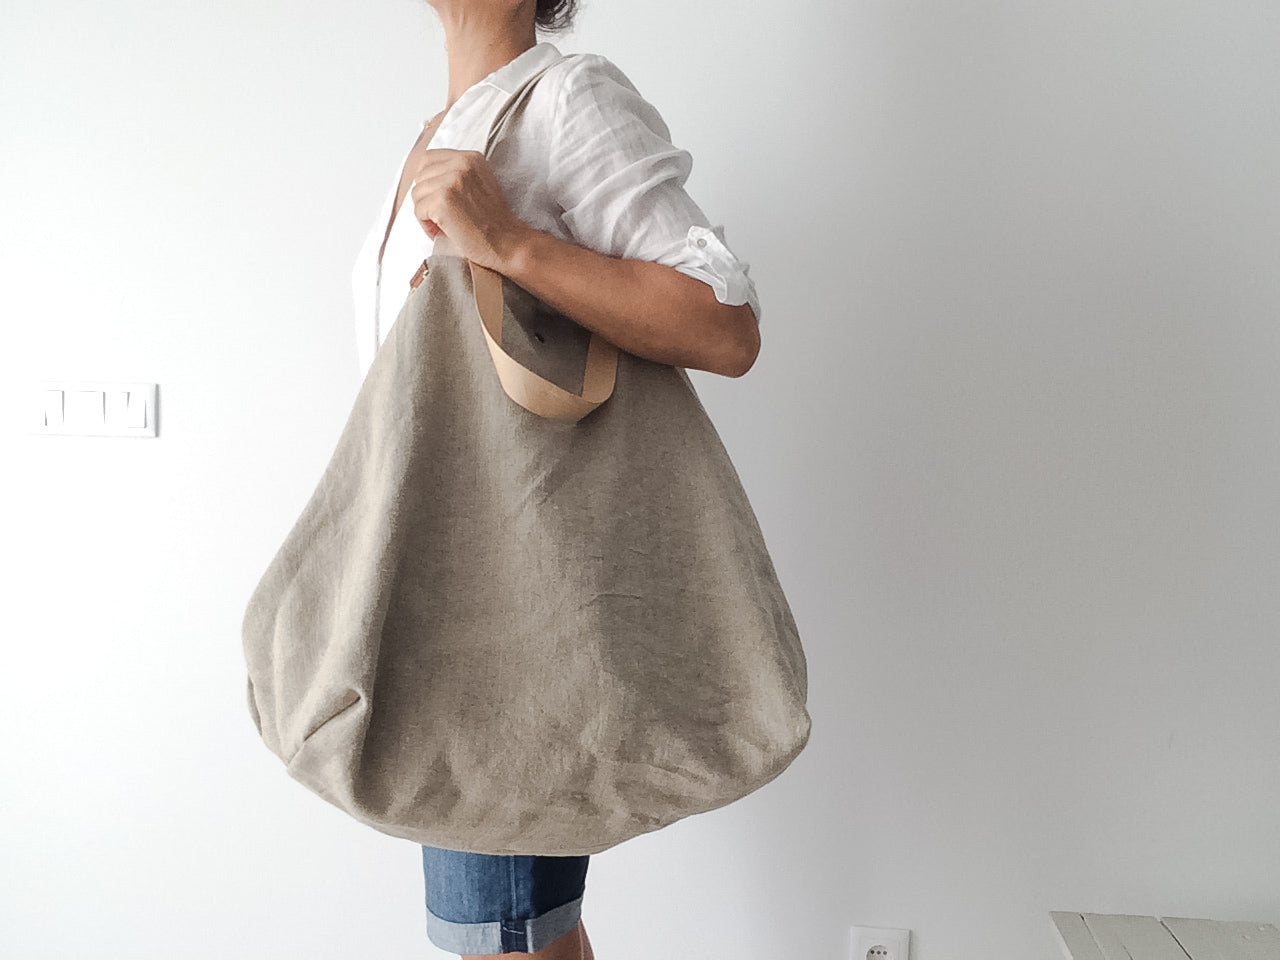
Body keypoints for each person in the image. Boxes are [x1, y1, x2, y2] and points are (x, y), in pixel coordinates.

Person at [348, 1, 764, 957]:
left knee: (501, 943)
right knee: (520, 939)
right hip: (440, 588)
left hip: (508, 602)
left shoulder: (568, 97)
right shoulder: (436, 133)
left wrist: (512, 244)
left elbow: (724, 322)